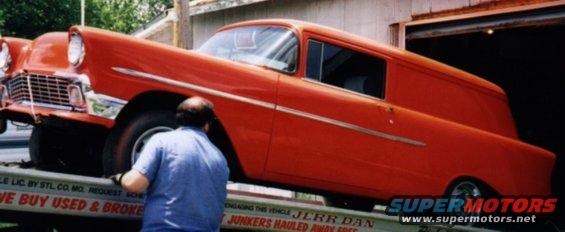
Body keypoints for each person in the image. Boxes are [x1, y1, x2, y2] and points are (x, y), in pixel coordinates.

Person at [110, 96, 229, 232]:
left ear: (178, 118)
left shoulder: (162, 141)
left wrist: (119, 177)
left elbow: (134, 184)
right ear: (207, 125)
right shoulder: (220, 158)